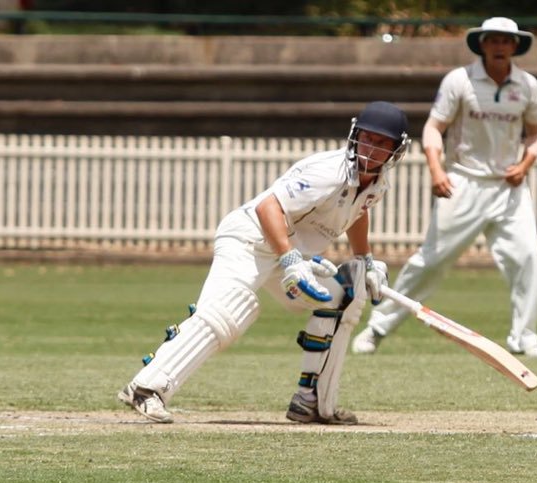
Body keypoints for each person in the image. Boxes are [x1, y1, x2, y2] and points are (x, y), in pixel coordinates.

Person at [120, 102, 410, 425]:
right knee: (228, 311)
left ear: (397, 150)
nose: (371, 148)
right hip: (250, 240)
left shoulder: (378, 184)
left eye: (382, 143)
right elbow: (269, 207)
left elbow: (359, 211)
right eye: (367, 138)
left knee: (345, 296)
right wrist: (290, 259)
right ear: (355, 135)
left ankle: (311, 402)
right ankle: (147, 388)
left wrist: (365, 260)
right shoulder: (328, 171)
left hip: (289, 255)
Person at [352, 17, 537, 357]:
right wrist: (436, 170)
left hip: (508, 187)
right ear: (482, 44)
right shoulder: (460, 80)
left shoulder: (528, 85)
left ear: (515, 46)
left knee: (529, 258)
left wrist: (525, 163)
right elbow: (433, 128)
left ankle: (524, 336)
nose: (500, 46)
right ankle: (377, 327)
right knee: (430, 262)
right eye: (493, 40)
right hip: (462, 180)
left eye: (506, 40)